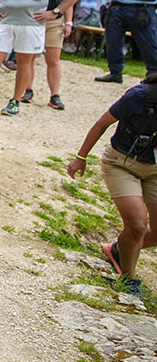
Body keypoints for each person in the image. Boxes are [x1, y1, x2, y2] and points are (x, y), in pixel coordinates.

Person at [67, 72, 157, 297]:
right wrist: (81, 157)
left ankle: (120, 249)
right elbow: (103, 123)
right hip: (121, 163)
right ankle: (129, 277)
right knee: (137, 224)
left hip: (154, 169)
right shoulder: (138, 96)